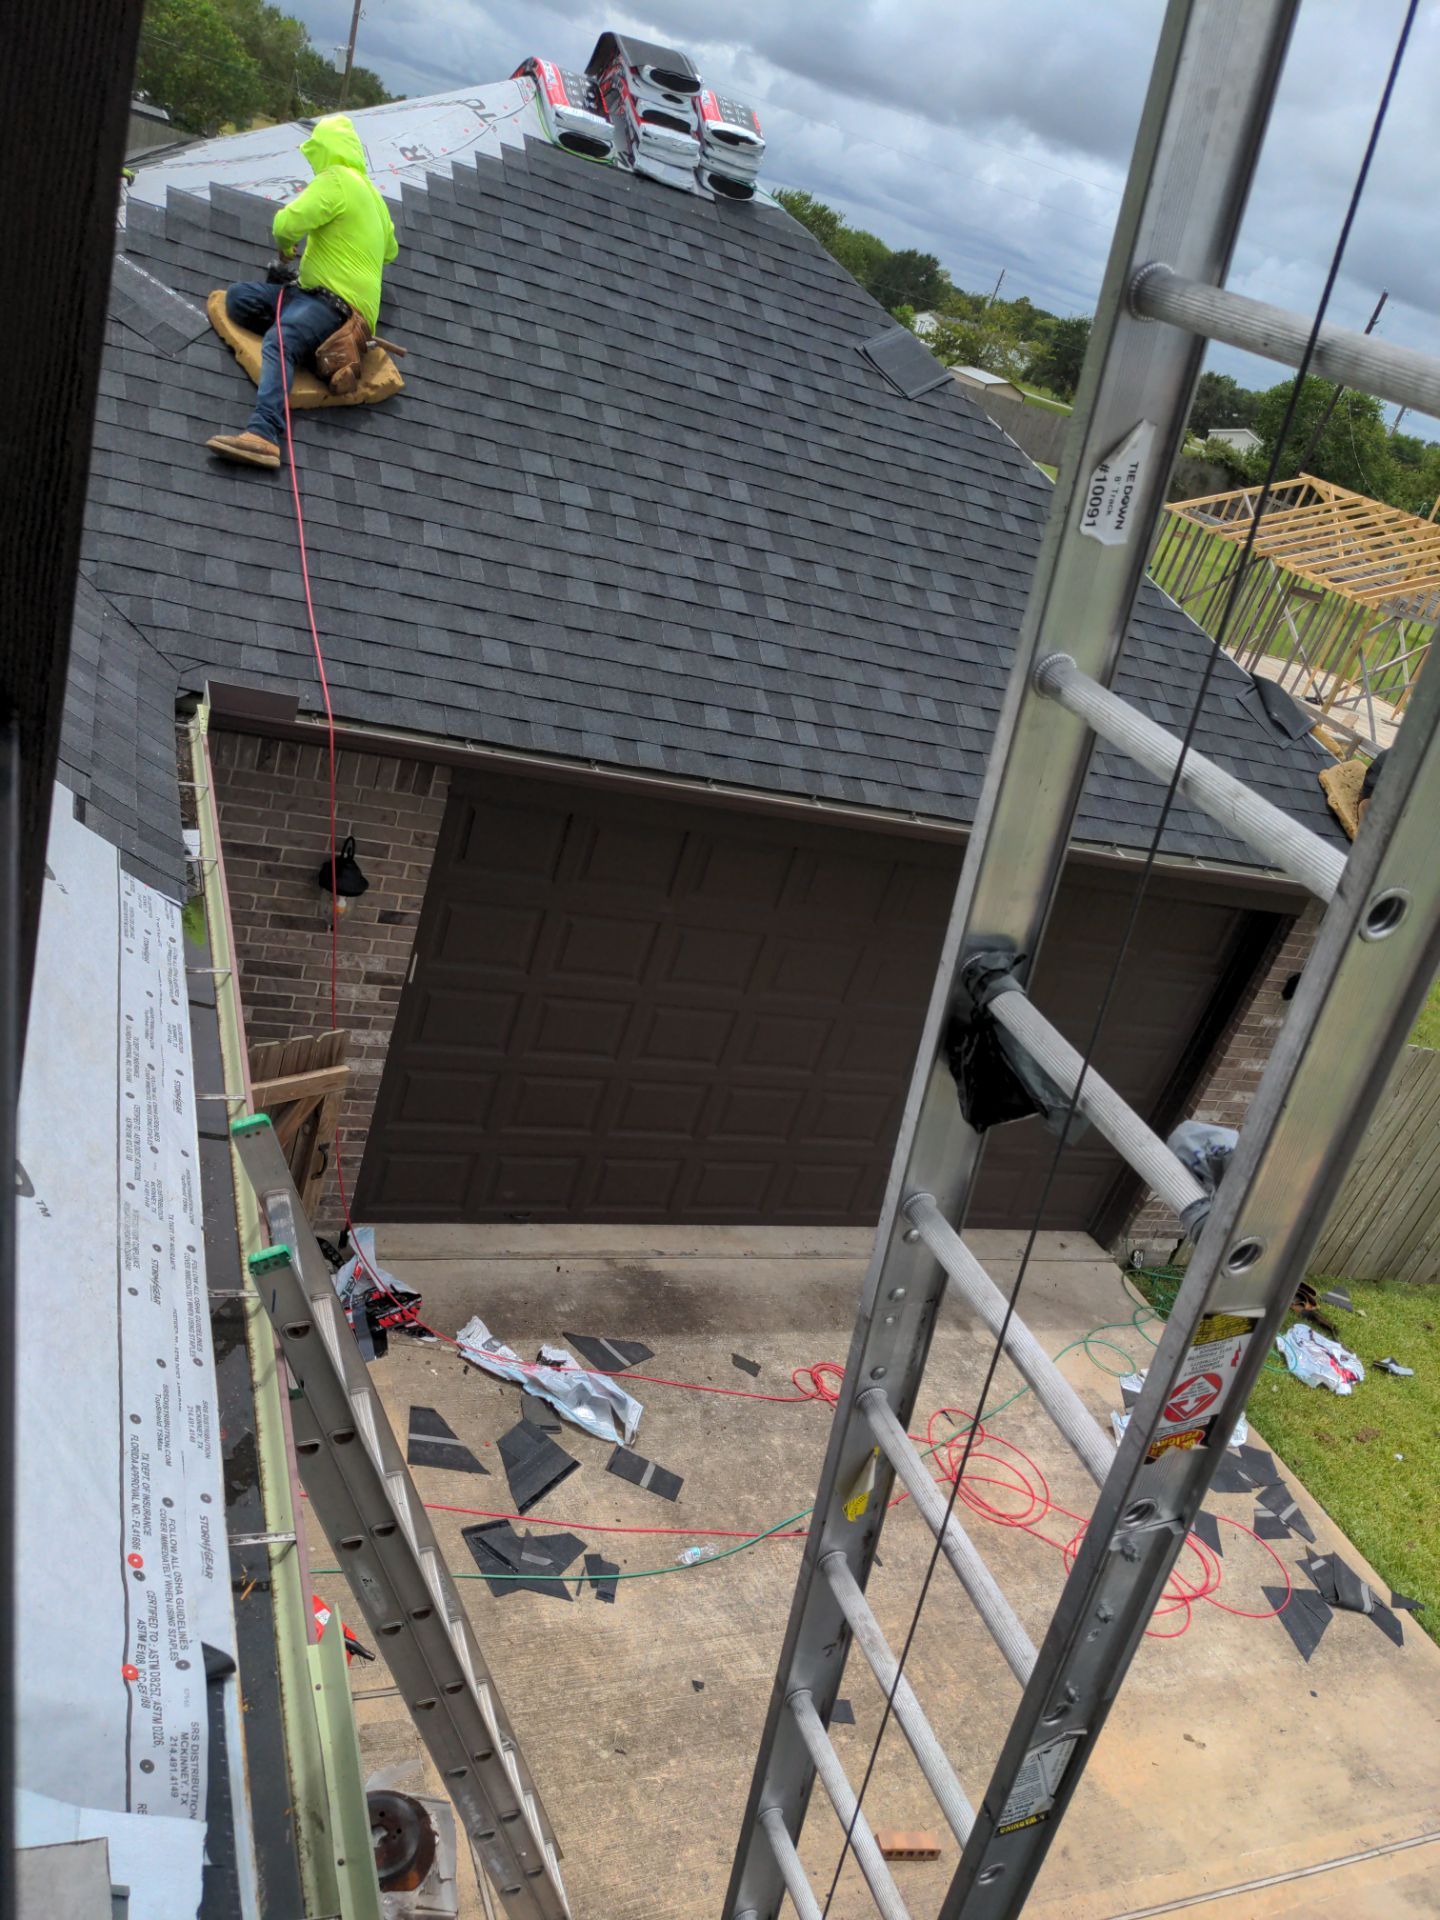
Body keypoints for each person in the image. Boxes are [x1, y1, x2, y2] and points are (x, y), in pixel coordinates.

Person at [207, 114, 398, 470]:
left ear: (325, 152)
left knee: (280, 340)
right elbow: (390, 251)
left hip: (334, 305)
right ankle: (324, 354)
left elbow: (286, 223)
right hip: (312, 296)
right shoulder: (375, 198)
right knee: (239, 299)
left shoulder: (336, 180)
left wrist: (286, 249)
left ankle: (264, 434)